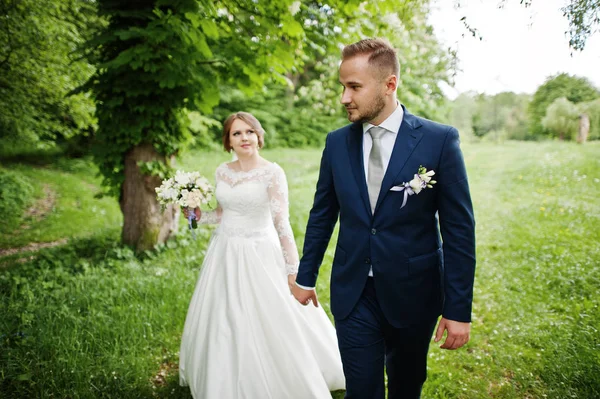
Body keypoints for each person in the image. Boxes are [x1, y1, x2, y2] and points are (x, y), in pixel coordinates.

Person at [291, 38, 476, 398]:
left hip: (415, 292)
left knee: (407, 387)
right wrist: (306, 275)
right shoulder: (336, 143)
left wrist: (458, 309)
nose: (344, 97)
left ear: (389, 85)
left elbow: (459, 231)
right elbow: (323, 213)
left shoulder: (438, 141)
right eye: (342, 87)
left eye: (354, 87)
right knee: (361, 391)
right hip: (354, 291)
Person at [178, 111, 345, 398]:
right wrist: (196, 216)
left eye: (249, 132)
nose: (244, 138)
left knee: (274, 316)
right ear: (228, 141)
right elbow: (221, 214)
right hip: (225, 252)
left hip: (260, 252)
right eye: (237, 133)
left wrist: (294, 272)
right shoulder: (222, 171)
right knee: (224, 317)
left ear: (258, 136)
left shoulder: (272, 172)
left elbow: (283, 225)